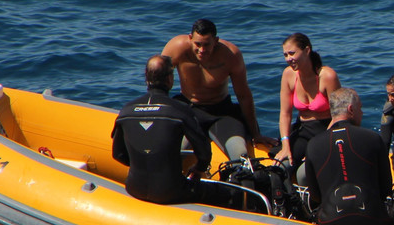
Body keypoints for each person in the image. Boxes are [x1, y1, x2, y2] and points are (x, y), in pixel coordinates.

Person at [161, 19, 274, 161]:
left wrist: (256, 134)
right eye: (198, 44)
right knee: (172, 152)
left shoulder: (230, 55)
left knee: (240, 154)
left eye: (207, 45)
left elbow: (243, 95)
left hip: (221, 112)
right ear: (190, 38)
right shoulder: (176, 48)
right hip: (188, 110)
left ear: (216, 40)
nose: (202, 50)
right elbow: (159, 82)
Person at [111, 55, 212, 204]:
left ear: (146, 78)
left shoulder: (126, 110)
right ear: (170, 79)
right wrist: (198, 168)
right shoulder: (180, 110)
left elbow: (118, 154)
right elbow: (204, 153)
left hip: (134, 188)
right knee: (220, 193)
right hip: (171, 192)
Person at [305, 87, 393, 225]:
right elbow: (386, 189)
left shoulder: (313, 144)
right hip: (372, 221)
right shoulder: (373, 138)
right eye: (360, 108)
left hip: (331, 224)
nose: (362, 113)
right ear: (351, 109)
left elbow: (315, 196)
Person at [274, 32, 340, 184]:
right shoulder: (288, 75)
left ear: (307, 50)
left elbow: (338, 115)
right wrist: (285, 145)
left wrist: (318, 147)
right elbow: (285, 114)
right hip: (303, 130)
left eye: (292, 53)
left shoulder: (327, 76)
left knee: (306, 173)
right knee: (280, 168)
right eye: (285, 55)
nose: (288, 59)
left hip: (326, 131)